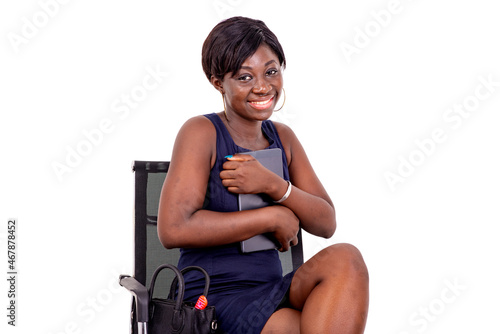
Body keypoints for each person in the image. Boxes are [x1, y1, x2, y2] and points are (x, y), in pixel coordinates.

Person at [158, 16, 369, 333]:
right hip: (210, 299)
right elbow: (173, 229)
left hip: (272, 290)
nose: (262, 86)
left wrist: (275, 186)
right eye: (244, 77)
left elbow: (326, 223)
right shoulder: (201, 132)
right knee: (300, 328)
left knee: (347, 259)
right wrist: (270, 219)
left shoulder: (283, 138)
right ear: (218, 82)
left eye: (271, 71)